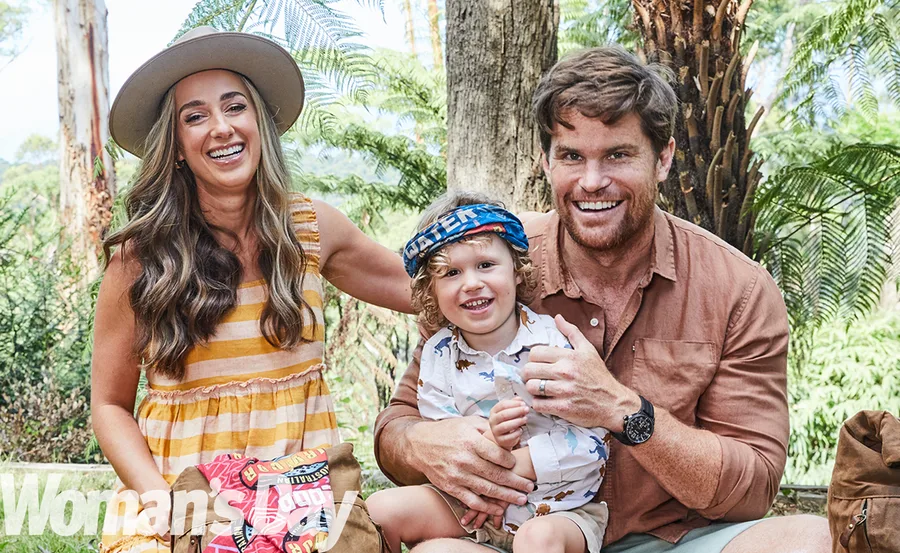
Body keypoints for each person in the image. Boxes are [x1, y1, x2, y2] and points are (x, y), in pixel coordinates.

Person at [373, 46, 831, 553]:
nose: (592, 182)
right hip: (508, 534)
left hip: (670, 541)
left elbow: (753, 490)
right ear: (545, 162)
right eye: (572, 156)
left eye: (617, 155)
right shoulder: (489, 261)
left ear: (663, 158)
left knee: (809, 539)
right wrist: (423, 443)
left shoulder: (738, 289)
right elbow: (397, 426)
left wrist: (622, 410)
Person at [92, 27, 411, 553]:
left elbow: (426, 291)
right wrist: (162, 503)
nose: (220, 128)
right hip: (179, 498)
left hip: (299, 503)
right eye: (194, 117)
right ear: (173, 148)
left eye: (234, 106)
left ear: (259, 123)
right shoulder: (138, 260)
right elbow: (108, 405)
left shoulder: (311, 229)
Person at [366, 193, 610, 553]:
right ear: (430, 290)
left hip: (558, 508)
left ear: (516, 268)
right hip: (475, 509)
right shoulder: (438, 355)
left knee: (536, 540)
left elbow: (594, 442)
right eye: (451, 272)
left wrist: (513, 465)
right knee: (381, 511)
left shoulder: (551, 343)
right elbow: (443, 441)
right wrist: (489, 445)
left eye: (485, 265)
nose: (471, 283)